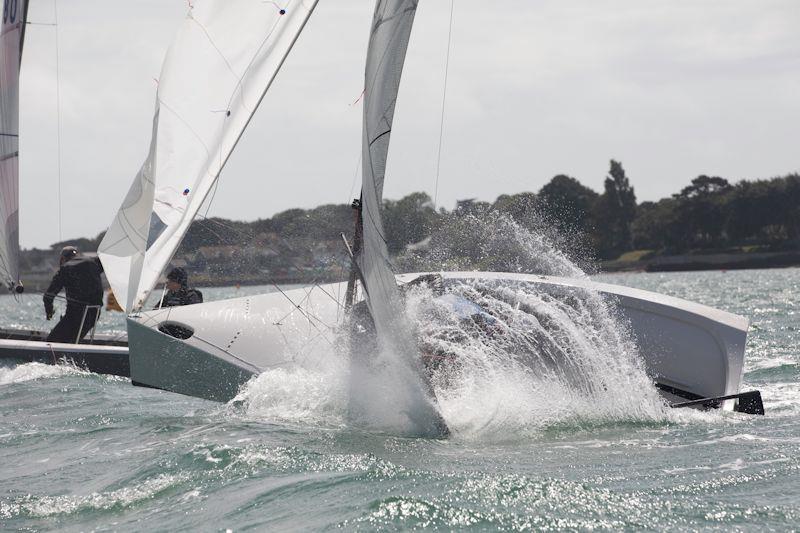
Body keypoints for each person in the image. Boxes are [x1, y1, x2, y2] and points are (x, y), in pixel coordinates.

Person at [43, 246, 104, 343]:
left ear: (62, 259)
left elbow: (48, 297)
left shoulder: (65, 269)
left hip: (75, 315)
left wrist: (49, 312)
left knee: (51, 342)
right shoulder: (94, 262)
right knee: (73, 339)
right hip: (94, 314)